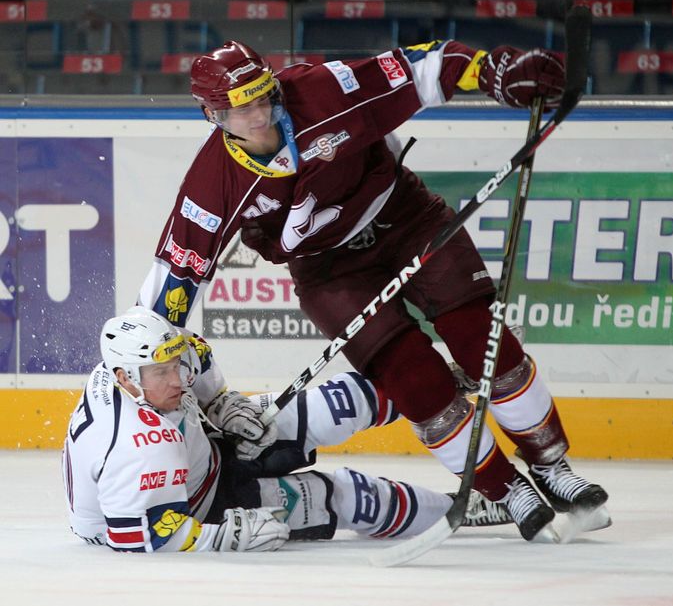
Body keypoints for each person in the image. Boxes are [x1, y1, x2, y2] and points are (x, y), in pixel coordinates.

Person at [138, 39, 609, 542]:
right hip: (328, 271)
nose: (258, 117)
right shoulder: (212, 183)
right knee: (413, 380)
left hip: (404, 217)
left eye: (262, 98)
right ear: (211, 114)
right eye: (240, 109)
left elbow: (418, 68)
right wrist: (141, 363)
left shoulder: (320, 90)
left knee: (480, 340)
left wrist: (491, 70)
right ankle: (504, 489)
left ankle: (552, 466)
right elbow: (174, 280)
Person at [62, 307, 510, 553]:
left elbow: (194, 350)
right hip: (196, 506)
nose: (177, 379)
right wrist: (223, 537)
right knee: (346, 497)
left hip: (205, 449)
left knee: (334, 405)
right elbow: (140, 534)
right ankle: (461, 509)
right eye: (161, 373)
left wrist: (219, 403)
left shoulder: (150, 363)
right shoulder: (137, 448)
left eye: (173, 365)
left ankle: (440, 383)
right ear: (125, 379)